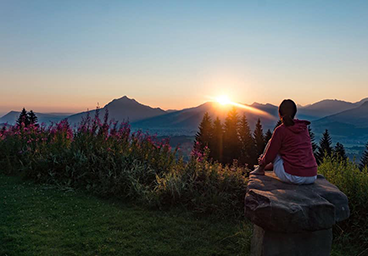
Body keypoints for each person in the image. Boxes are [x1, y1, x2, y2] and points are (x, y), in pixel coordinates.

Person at [250, 99, 317, 185]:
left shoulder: (281, 130)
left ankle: (260, 169)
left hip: (293, 176)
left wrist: (262, 162)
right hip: (312, 176)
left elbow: (271, 154)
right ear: (295, 112)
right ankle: (266, 166)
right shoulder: (303, 128)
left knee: (272, 142)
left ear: (279, 114)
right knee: (284, 147)